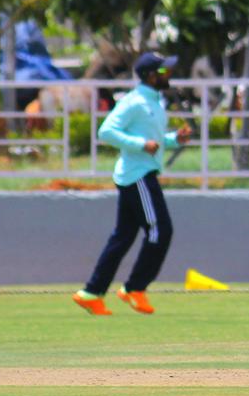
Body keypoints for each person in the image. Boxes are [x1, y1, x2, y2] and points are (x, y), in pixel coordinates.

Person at [73, 53, 191, 316]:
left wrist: (173, 140)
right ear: (151, 75)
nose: (168, 75)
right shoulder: (135, 101)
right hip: (138, 174)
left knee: (123, 237)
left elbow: (153, 139)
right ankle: (134, 288)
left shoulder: (153, 102)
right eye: (164, 71)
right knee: (160, 230)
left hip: (138, 173)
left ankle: (91, 293)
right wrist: (141, 145)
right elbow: (106, 131)